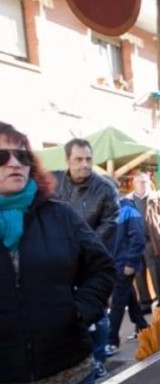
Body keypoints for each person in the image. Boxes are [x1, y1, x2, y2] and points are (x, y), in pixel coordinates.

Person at [0, 122, 114, 384]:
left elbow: (102, 267)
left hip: (70, 370)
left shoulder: (59, 214)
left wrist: (79, 311)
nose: (15, 163)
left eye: (22, 156)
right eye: (2, 156)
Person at [53, 138, 119, 377]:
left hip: (92, 260)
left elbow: (110, 224)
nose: (85, 164)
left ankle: (98, 359)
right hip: (59, 261)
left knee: (97, 311)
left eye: (89, 159)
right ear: (67, 160)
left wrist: (82, 247)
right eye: (78, 159)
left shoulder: (105, 189)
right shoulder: (54, 182)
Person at [105, 197, 149, 356]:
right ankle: (143, 326)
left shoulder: (128, 210)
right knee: (127, 294)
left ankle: (111, 340)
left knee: (118, 300)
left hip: (123, 264)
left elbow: (138, 238)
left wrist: (130, 263)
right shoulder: (107, 211)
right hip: (114, 263)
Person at [128, 172, 160, 309]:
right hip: (134, 243)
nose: (143, 185)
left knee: (157, 272)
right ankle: (145, 302)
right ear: (134, 184)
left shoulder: (157, 199)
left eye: (146, 182)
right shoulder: (127, 201)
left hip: (152, 241)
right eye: (140, 182)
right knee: (139, 274)